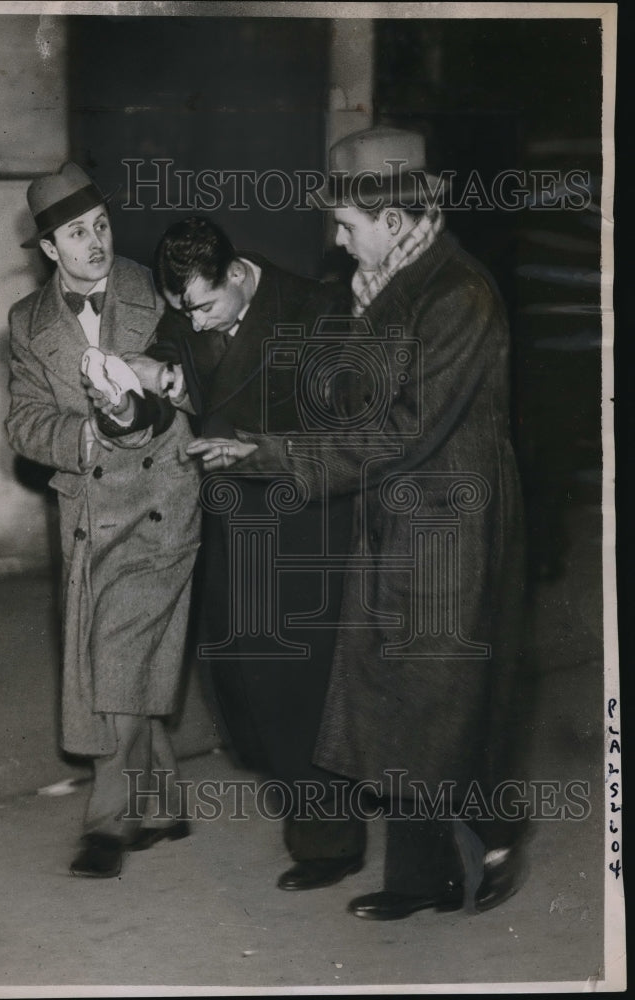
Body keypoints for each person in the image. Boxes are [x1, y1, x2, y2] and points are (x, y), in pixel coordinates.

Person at [192, 126, 529, 920]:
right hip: (398, 513)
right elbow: (355, 409)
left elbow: (400, 429)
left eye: (346, 224)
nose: (337, 241)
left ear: (392, 214)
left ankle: (493, 841)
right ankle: (421, 880)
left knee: (440, 696)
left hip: (452, 521)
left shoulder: (458, 296)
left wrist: (267, 454)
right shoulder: (381, 284)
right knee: (397, 692)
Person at [127, 216, 367, 890]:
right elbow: (175, 368)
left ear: (237, 274)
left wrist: (255, 448)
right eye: (183, 310)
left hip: (302, 528)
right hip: (230, 526)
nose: (195, 323)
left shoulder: (316, 312)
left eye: (204, 306)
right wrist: (146, 382)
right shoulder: (187, 314)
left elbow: (341, 435)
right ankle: (323, 802)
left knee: (299, 689)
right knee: (242, 681)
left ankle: (328, 842)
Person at [5, 163, 201, 879]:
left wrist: (156, 391)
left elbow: (199, 376)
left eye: (101, 226)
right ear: (49, 248)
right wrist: (84, 435)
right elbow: (24, 423)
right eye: (76, 234)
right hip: (88, 506)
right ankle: (163, 800)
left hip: (161, 498)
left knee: (114, 651)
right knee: (118, 656)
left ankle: (108, 822)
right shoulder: (27, 325)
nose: (94, 243)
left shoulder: (153, 289)